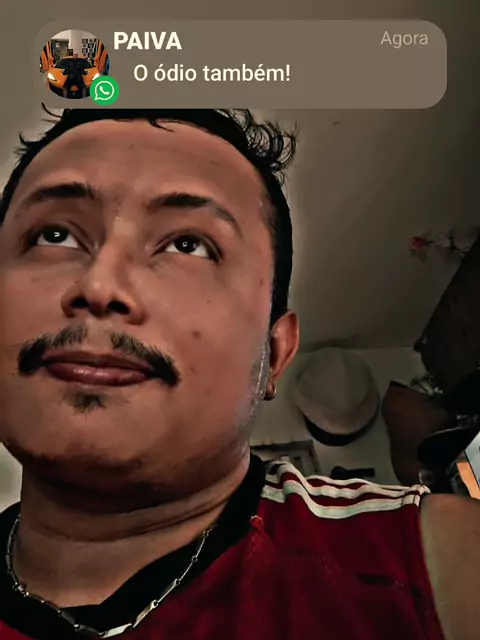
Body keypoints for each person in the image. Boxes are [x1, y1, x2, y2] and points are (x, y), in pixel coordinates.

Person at [0, 108, 477, 640]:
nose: (100, 285)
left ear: (274, 354)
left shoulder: (435, 566)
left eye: (188, 245)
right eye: (55, 235)